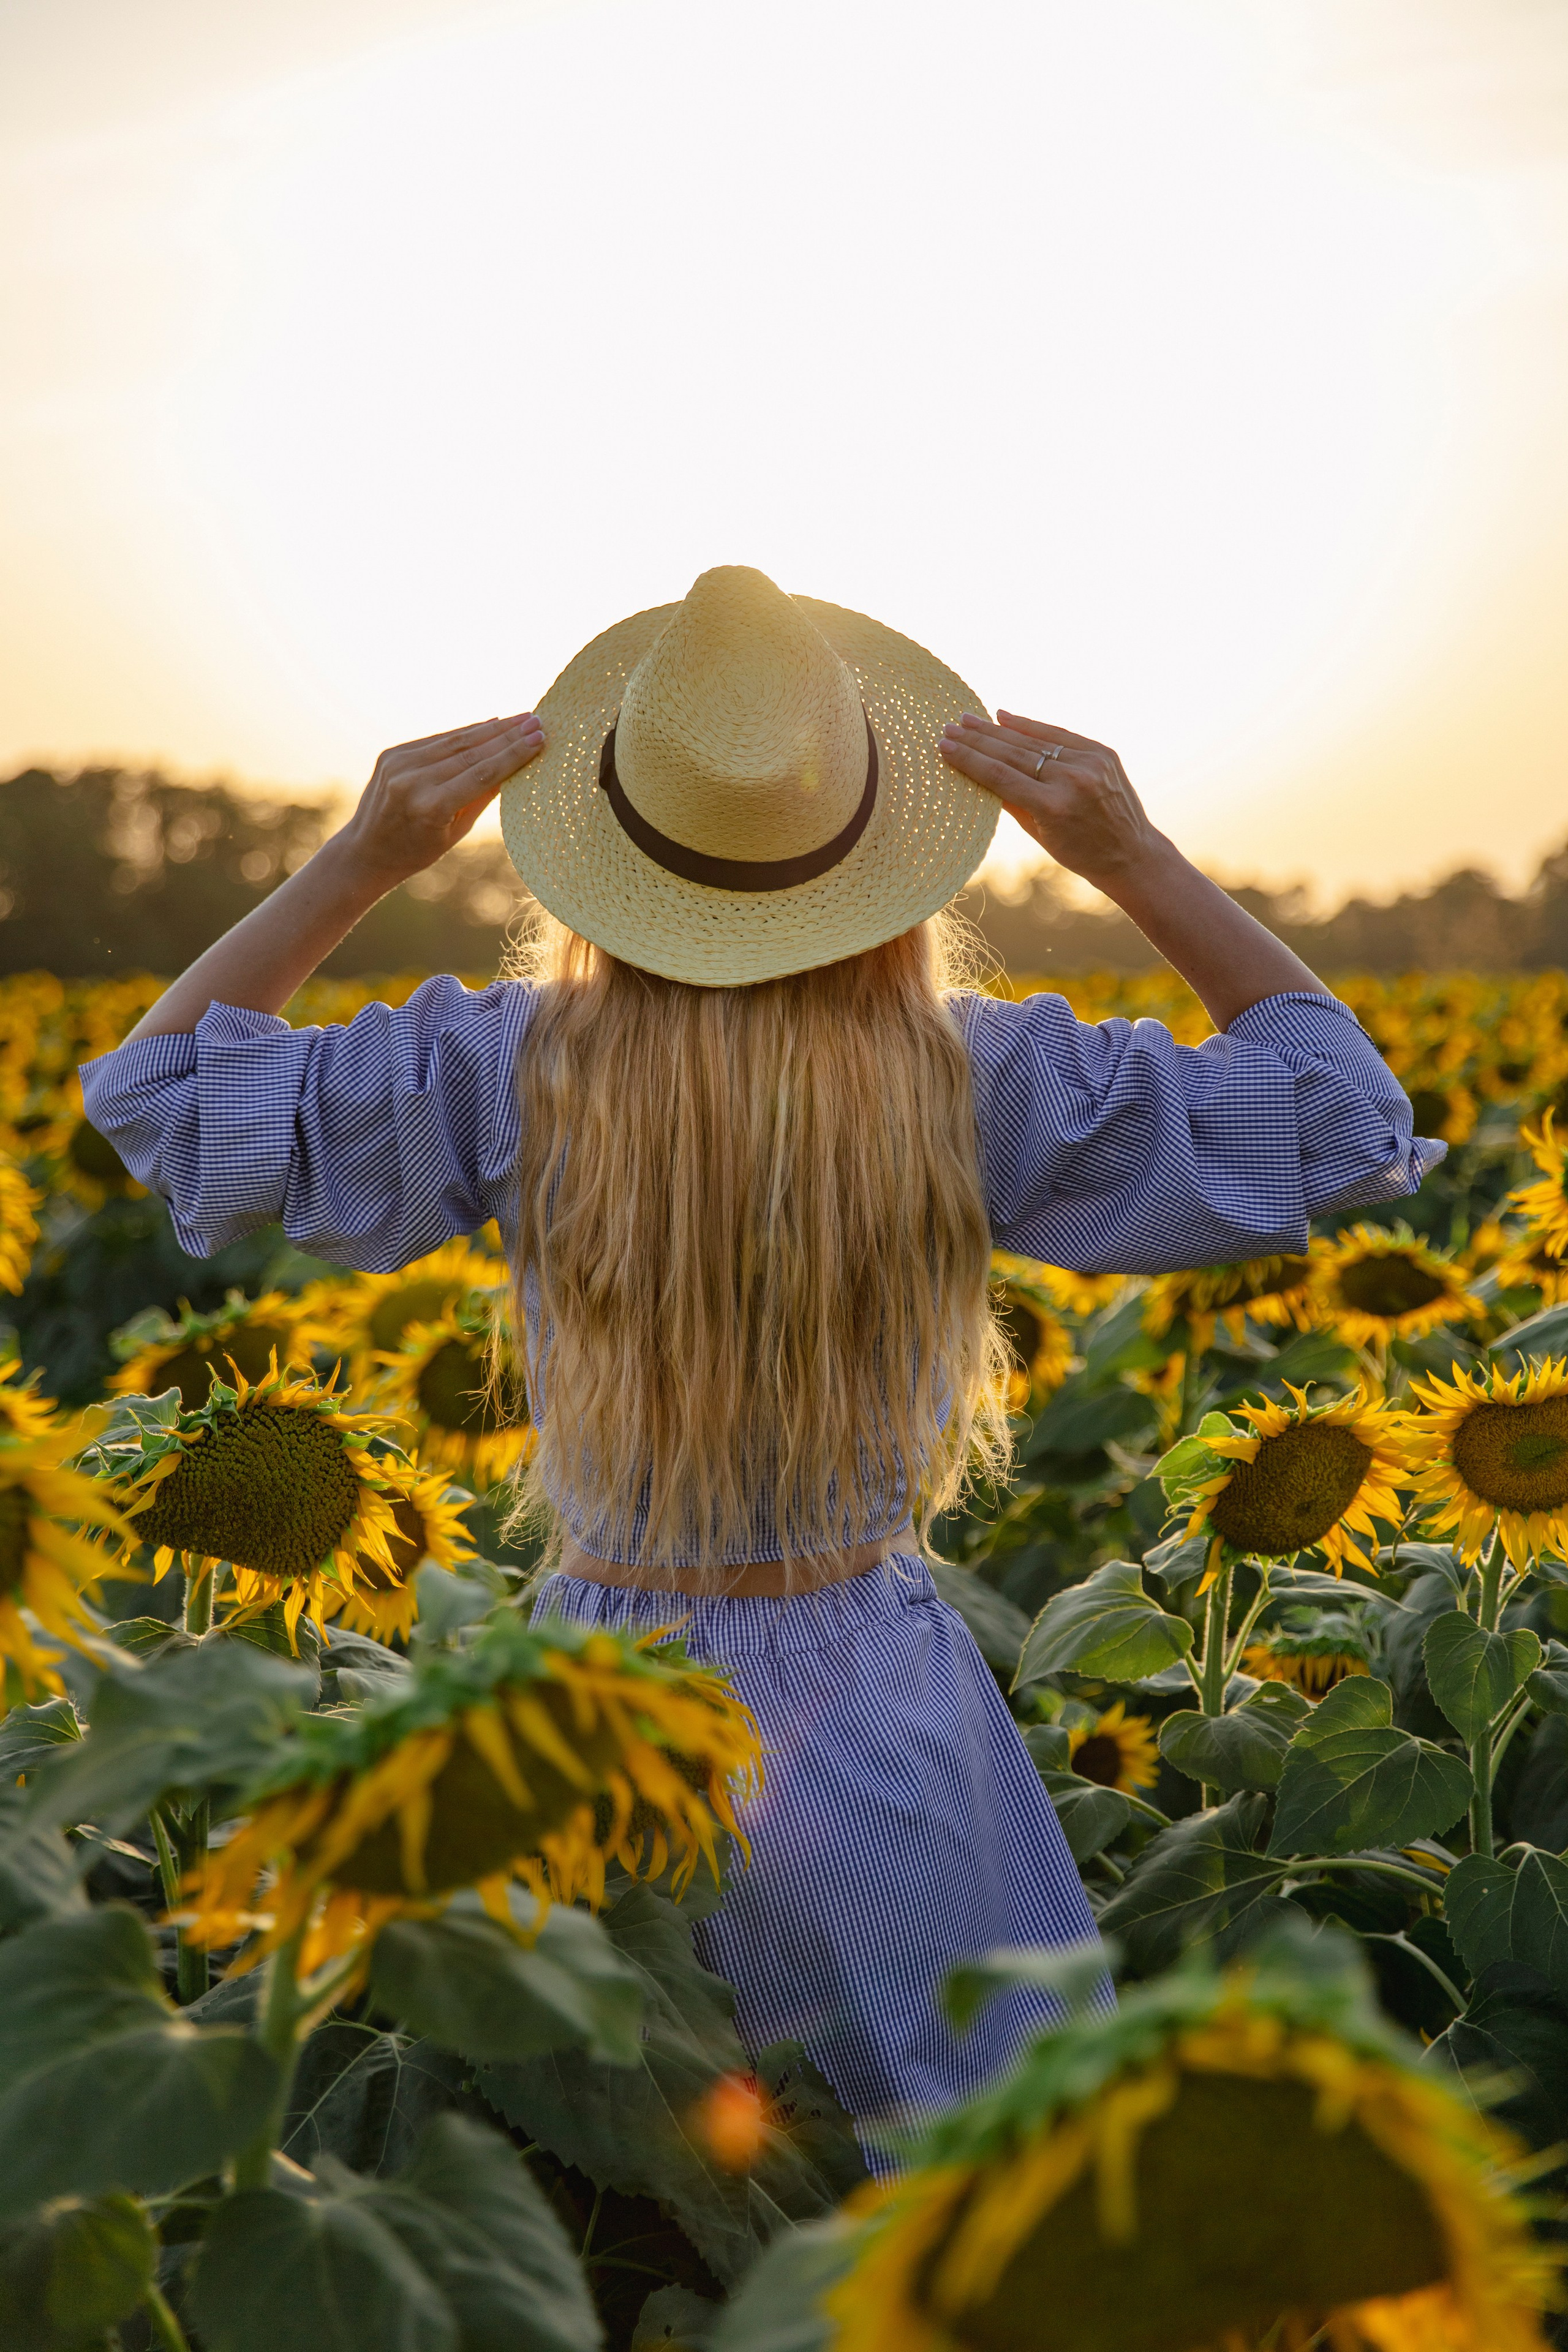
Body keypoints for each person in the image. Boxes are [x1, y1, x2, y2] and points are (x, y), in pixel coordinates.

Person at [83, 565, 1440, 2162]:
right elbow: (1348, 1125)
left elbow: (159, 1097)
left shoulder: (509, 1068)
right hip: (872, 1708)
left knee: (625, 2199)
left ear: (610, 847)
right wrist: (1128, 855)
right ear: (873, 859)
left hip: (588, 1706)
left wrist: (365, 856)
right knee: (957, 2190)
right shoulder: (974, 1082)